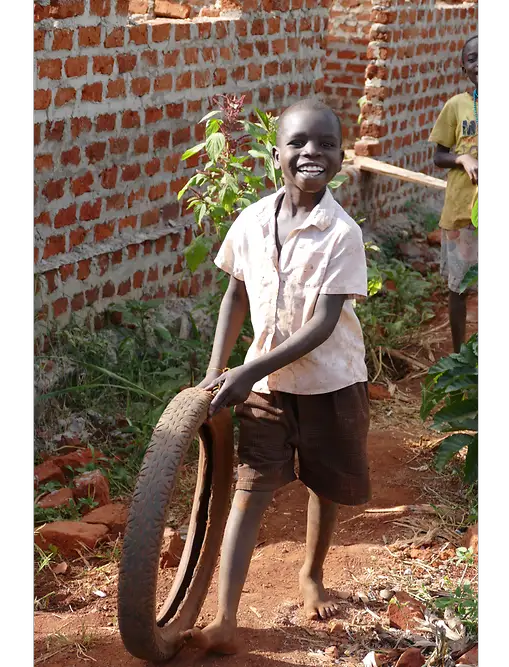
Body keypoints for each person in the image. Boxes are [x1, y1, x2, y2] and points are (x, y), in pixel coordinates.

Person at [183, 99, 371, 654]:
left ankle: (311, 574)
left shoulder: (342, 233)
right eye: (298, 143)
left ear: (340, 157)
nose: (312, 152)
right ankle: (224, 617)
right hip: (265, 388)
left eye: (326, 144)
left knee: (324, 482)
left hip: (330, 382)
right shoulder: (250, 221)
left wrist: (247, 369)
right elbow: (235, 292)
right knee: (251, 488)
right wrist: (217, 373)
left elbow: (324, 323)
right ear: (277, 154)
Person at [431, 35, 480, 353]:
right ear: (463, 66)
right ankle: (461, 354)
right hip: (462, 213)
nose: (480, 64)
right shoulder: (456, 106)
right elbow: (439, 156)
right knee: (459, 286)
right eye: (474, 58)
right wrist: (462, 158)